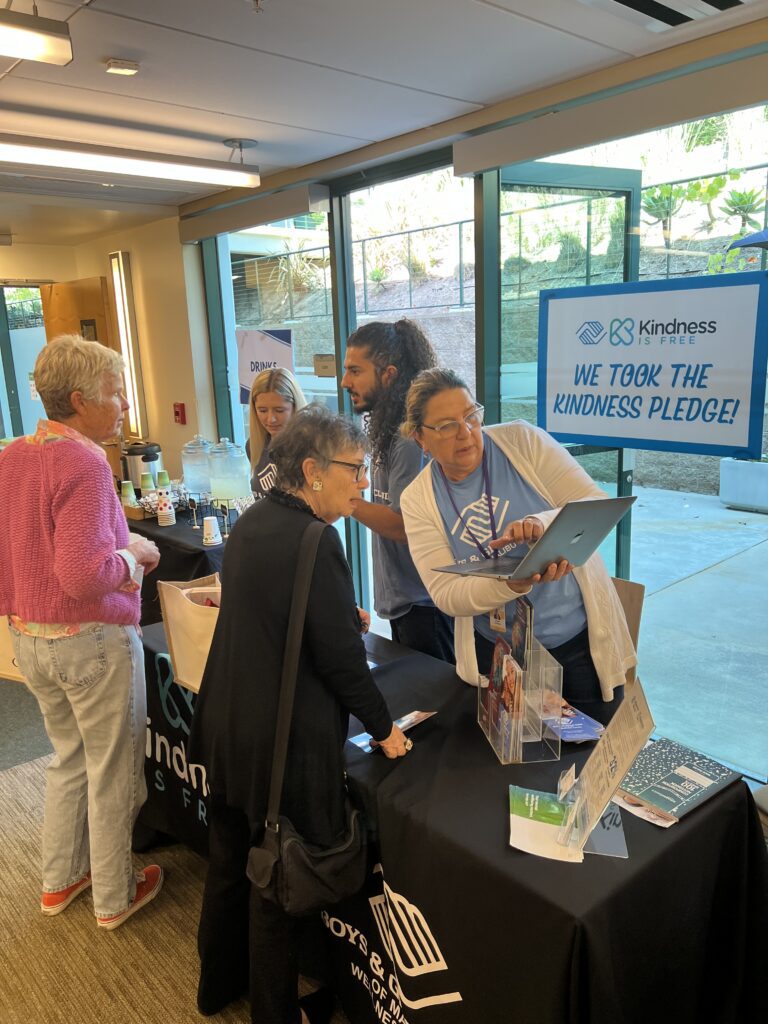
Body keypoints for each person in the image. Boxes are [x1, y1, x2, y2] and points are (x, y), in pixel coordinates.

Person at [188, 404, 409, 1024]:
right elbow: (342, 665)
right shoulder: (316, 537)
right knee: (274, 890)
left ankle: (215, 987)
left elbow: (274, 614)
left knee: (230, 857)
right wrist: (386, 730)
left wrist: (339, 614)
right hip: (278, 743)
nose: (363, 482)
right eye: (355, 469)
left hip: (227, 721)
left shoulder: (256, 519)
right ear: (312, 470)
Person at [0, 334, 164, 929]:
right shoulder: (86, 461)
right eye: (115, 393)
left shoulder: (14, 455)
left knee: (67, 759)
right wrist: (135, 555)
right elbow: (82, 573)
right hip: (89, 639)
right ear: (79, 398)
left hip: (30, 638)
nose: (123, 405)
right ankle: (115, 897)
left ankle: (59, 880)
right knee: (113, 769)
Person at [399, 368, 636, 725]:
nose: (465, 433)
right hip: (498, 654)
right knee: (513, 763)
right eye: (446, 425)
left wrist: (542, 525)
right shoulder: (418, 499)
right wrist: (512, 584)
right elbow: (446, 593)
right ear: (420, 438)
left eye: (470, 417)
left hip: (576, 646)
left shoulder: (522, 442)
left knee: (589, 753)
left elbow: (593, 504)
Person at [341, 319, 454, 661]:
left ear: (388, 374)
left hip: (426, 606)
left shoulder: (408, 438)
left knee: (436, 708)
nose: (346, 381)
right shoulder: (388, 429)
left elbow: (403, 525)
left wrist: (343, 499)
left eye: (355, 371)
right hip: (408, 604)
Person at [247, 367, 307, 498]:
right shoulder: (254, 445)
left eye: (279, 410)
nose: (271, 419)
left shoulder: (309, 448)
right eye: (262, 411)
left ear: (295, 407)